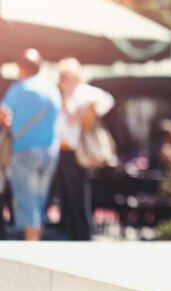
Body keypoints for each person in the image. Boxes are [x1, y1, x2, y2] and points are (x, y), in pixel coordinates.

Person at [0, 49, 61, 241]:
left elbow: (3, 114)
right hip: (50, 151)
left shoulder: (20, 89)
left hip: (25, 151)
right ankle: (36, 244)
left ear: (21, 67)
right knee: (40, 202)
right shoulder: (52, 88)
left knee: (27, 203)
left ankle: (32, 250)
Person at [53, 57, 114, 240]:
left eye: (68, 76)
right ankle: (70, 235)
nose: (64, 80)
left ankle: (83, 236)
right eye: (62, 76)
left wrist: (85, 108)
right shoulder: (62, 95)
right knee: (66, 197)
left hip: (77, 153)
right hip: (61, 151)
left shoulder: (84, 93)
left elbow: (107, 102)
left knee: (78, 196)